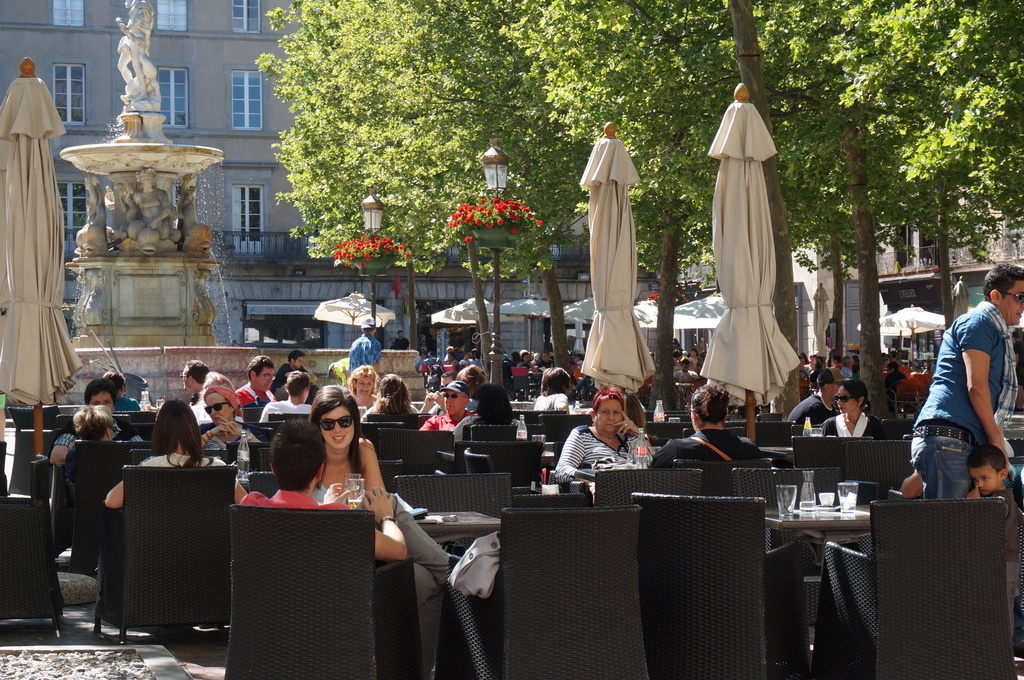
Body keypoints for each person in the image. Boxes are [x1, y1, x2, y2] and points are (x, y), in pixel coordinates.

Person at [308, 387, 449, 677]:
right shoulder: (309, 459)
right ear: (317, 425)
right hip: (354, 539)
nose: (338, 429)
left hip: (385, 520)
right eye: (328, 423)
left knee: (443, 568)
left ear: (354, 422)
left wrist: (367, 515)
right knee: (440, 578)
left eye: (345, 421)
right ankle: (416, 670)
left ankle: (417, 668)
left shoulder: (363, 448)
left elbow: (377, 503)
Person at [912, 263, 1024, 500]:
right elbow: (977, 387)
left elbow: (993, 399)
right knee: (948, 532)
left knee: (960, 532)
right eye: (1020, 297)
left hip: (954, 439)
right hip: (949, 439)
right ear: (996, 296)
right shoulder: (979, 322)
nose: (1023, 306)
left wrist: (998, 445)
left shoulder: (996, 330)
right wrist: (996, 442)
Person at [238, 419, 407, 560]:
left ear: (272, 469)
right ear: (320, 471)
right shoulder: (339, 518)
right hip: (332, 599)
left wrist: (326, 506)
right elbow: (399, 550)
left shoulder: (250, 506)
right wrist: (386, 517)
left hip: (263, 598)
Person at [105, 400, 247, 508]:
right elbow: (246, 504)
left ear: (160, 432)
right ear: (194, 431)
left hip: (154, 543)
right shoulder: (218, 468)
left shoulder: (149, 467)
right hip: (211, 544)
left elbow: (111, 502)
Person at [966, 444, 1024, 636]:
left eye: (984, 478)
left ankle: (1003, 652)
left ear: (1002, 474)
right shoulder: (1006, 497)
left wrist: (974, 505)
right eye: (975, 479)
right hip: (1004, 562)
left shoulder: (1000, 500)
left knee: (1002, 611)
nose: (980, 485)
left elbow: (996, 515)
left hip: (1005, 563)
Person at [651, 383, 762, 466]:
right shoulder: (749, 448)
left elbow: (651, 474)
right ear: (726, 414)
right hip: (737, 497)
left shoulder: (676, 449)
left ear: (694, 415)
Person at [50, 378, 144, 465]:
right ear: (88, 406)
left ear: (114, 406)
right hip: (83, 481)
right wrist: (99, 455)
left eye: (107, 402)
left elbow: (143, 454)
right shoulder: (76, 427)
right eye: (96, 403)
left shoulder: (126, 429)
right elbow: (56, 456)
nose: (102, 407)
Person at [553, 388, 639, 482]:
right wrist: (591, 480)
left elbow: (652, 467)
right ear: (594, 415)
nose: (611, 417)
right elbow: (562, 469)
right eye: (605, 412)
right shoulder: (582, 435)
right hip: (598, 490)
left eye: (616, 412)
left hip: (631, 489)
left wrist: (639, 433)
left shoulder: (630, 439)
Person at [200, 386, 269, 449]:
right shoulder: (202, 431)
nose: (213, 412)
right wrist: (210, 434)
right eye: (208, 409)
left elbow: (267, 454)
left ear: (232, 406)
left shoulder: (253, 430)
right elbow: (190, 453)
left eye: (217, 407)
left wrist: (246, 435)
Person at [63, 405, 116, 484]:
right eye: (112, 428)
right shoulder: (117, 453)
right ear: (106, 432)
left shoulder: (74, 454)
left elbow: (71, 476)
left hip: (82, 495)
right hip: (114, 495)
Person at [820, 379, 887, 439]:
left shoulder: (874, 425)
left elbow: (883, 451)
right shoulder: (830, 425)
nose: (839, 402)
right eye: (837, 397)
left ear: (860, 400)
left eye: (844, 398)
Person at [452, 383, 516, 440]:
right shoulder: (517, 426)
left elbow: (453, 441)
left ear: (481, 403)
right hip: (507, 453)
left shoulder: (469, 422)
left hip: (474, 452)